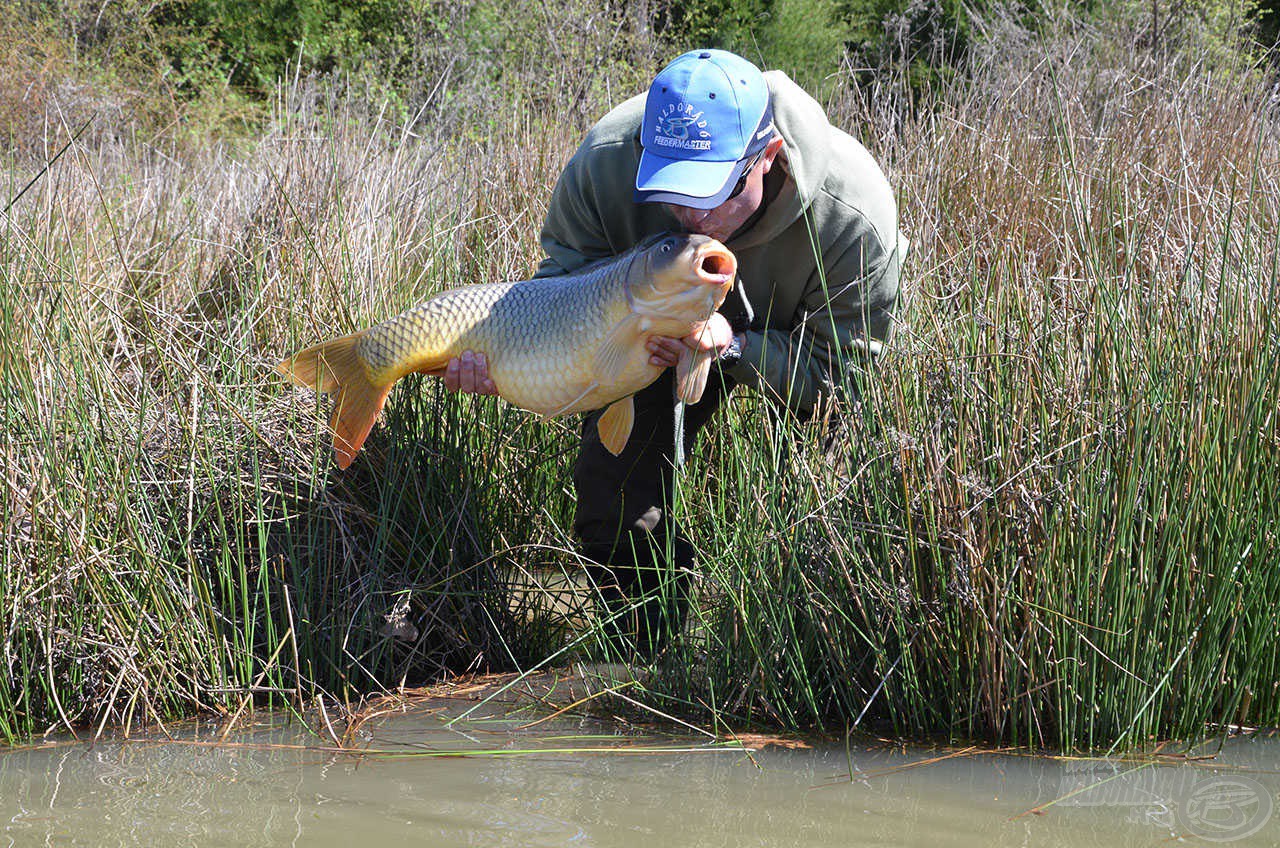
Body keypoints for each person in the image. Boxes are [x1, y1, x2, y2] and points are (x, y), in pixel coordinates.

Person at [444, 49, 905, 659]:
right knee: (612, 505)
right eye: (674, 193)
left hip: (790, 351)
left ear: (764, 159)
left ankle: (777, 664)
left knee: (829, 511)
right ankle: (647, 666)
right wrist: (513, 362)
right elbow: (558, 294)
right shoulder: (608, 159)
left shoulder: (854, 216)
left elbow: (839, 382)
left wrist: (736, 345)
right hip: (649, 337)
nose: (692, 216)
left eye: (709, 193)